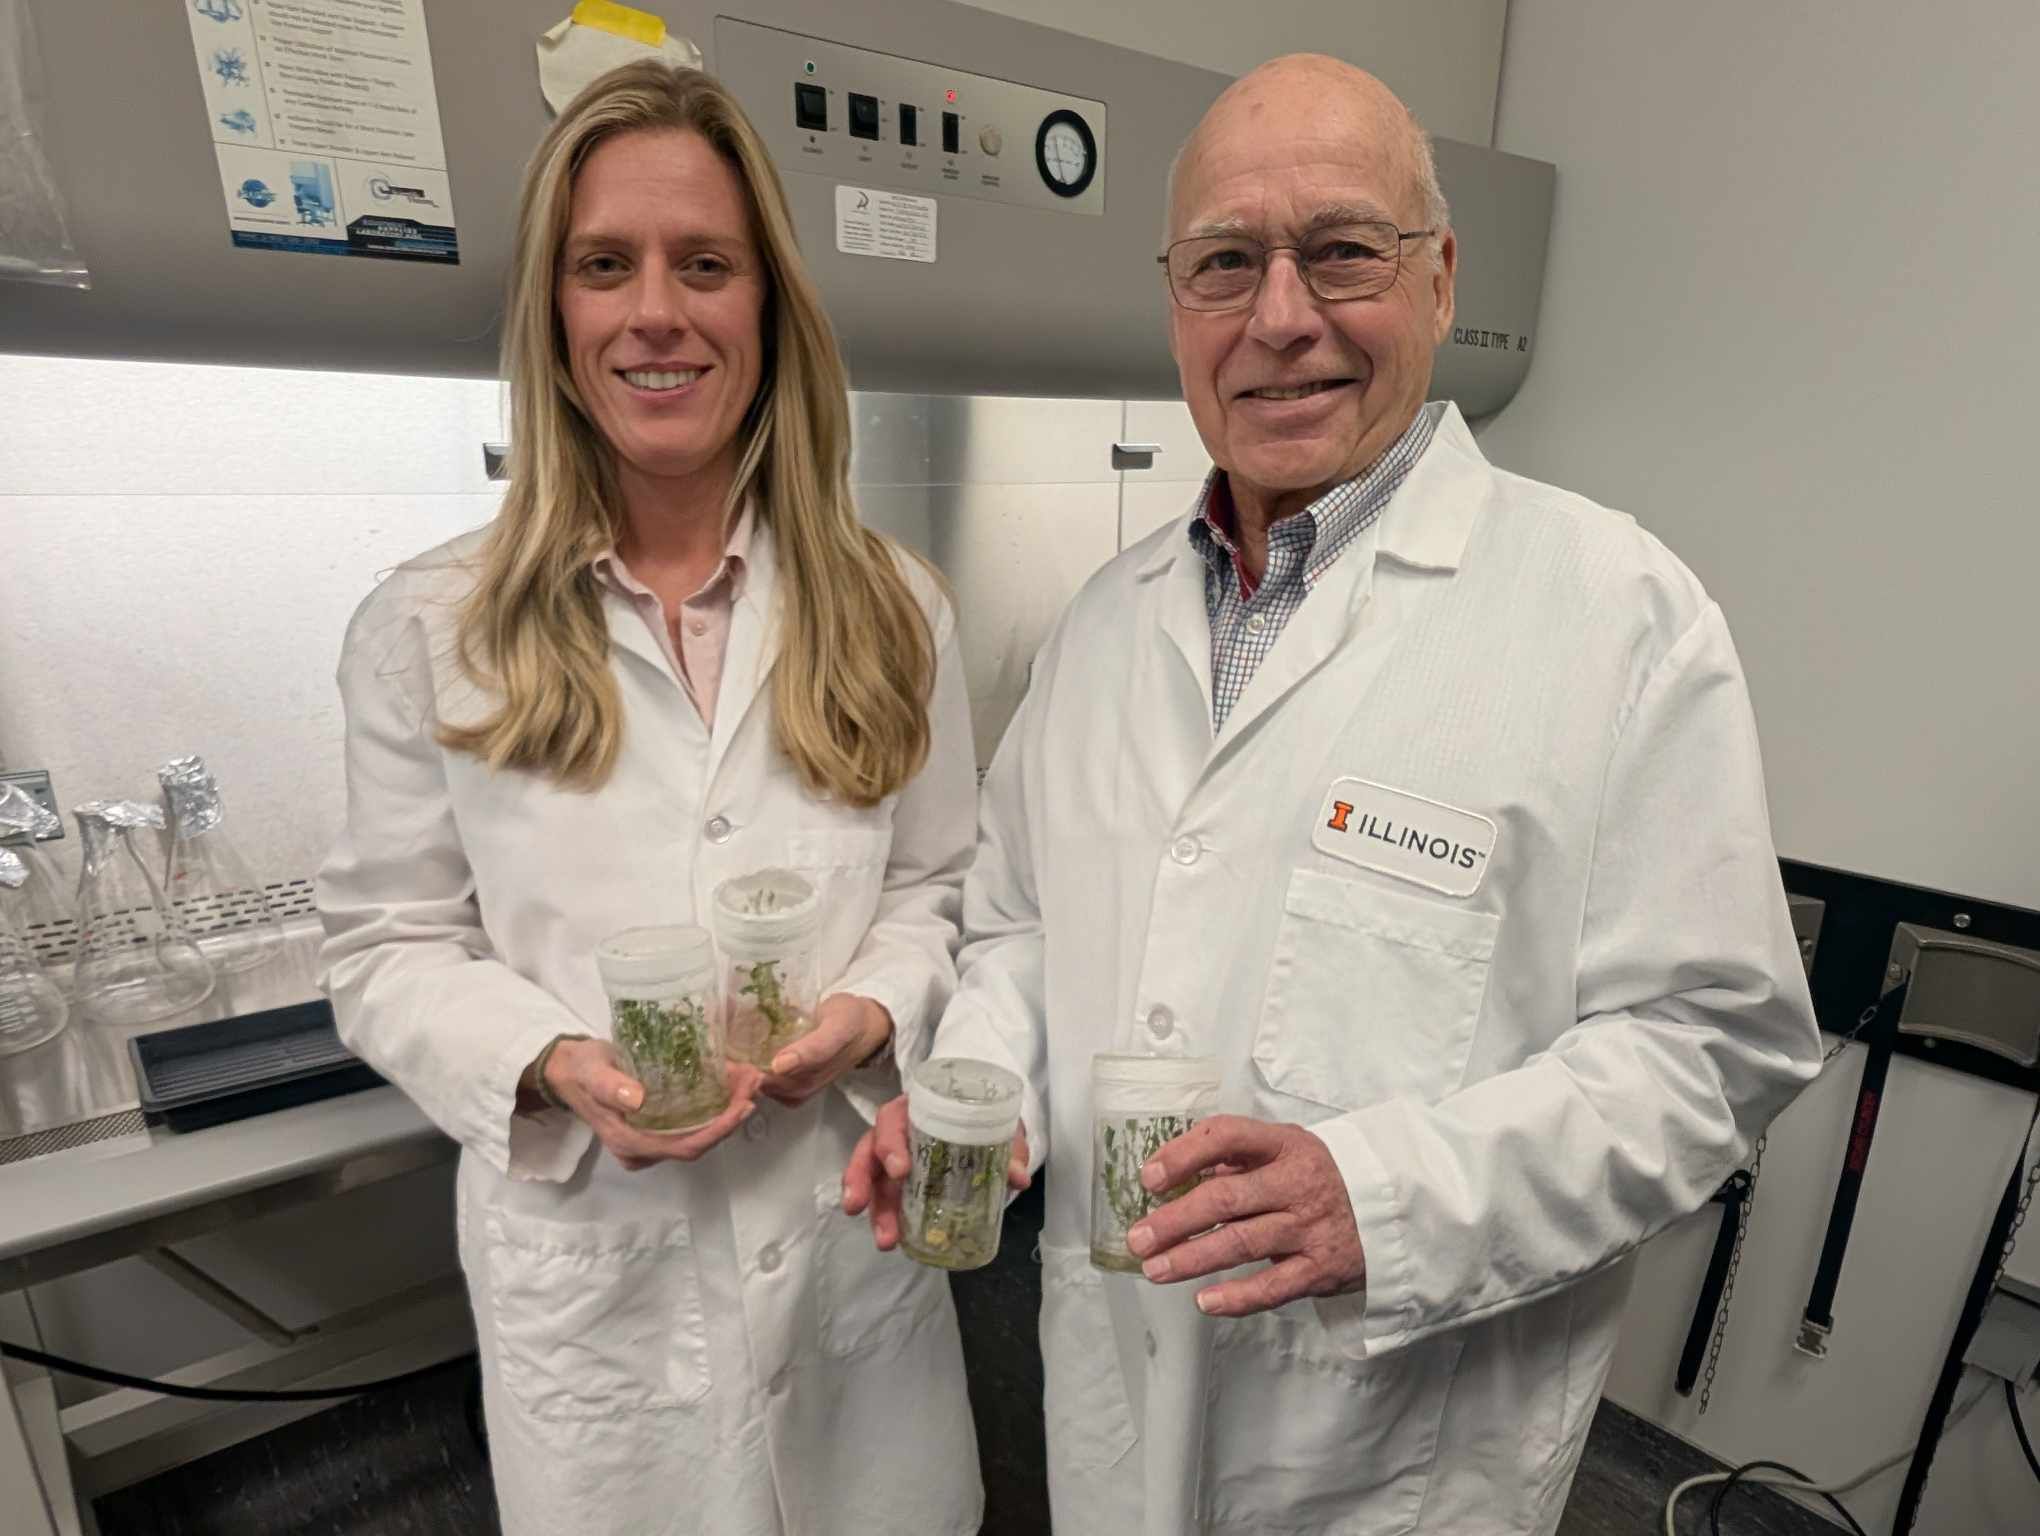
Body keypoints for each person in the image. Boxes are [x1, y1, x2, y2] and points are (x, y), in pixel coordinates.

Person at [846, 52, 1823, 1535]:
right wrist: (977, 1089)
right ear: (1177, 303)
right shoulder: (1104, 627)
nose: (1281, 317)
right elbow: (1027, 930)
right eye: (1226, 264)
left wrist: (1386, 1194)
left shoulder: (1616, 611)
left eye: (1343, 252)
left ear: (1439, 281)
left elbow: (1715, 1044)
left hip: (1396, 1458)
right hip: (1116, 1412)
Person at [317, 63, 982, 1536]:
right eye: (604, 265)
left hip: (844, 1271)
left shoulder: (893, 609)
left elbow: (944, 894)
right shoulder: (431, 627)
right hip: (601, 1313)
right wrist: (556, 1062)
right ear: (556, 318)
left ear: (768, 308)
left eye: (706, 265)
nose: (656, 312)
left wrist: (868, 1012)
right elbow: (382, 947)